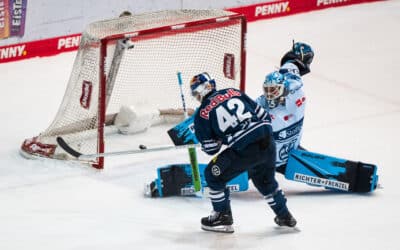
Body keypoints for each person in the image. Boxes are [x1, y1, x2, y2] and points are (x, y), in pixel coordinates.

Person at [190, 72, 296, 233]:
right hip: (268, 140)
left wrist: (219, 139)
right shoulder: (234, 92)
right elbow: (263, 115)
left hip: (246, 149)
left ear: (199, 93)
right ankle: (285, 216)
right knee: (265, 181)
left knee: (212, 175)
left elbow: (211, 149)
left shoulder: (201, 114)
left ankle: (221, 216)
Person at [256, 41, 314, 174]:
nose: (270, 94)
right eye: (268, 90)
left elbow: (293, 79)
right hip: (265, 158)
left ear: (284, 89)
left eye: (274, 90)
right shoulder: (261, 103)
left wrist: (292, 61)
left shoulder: (296, 95)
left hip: (288, 154)